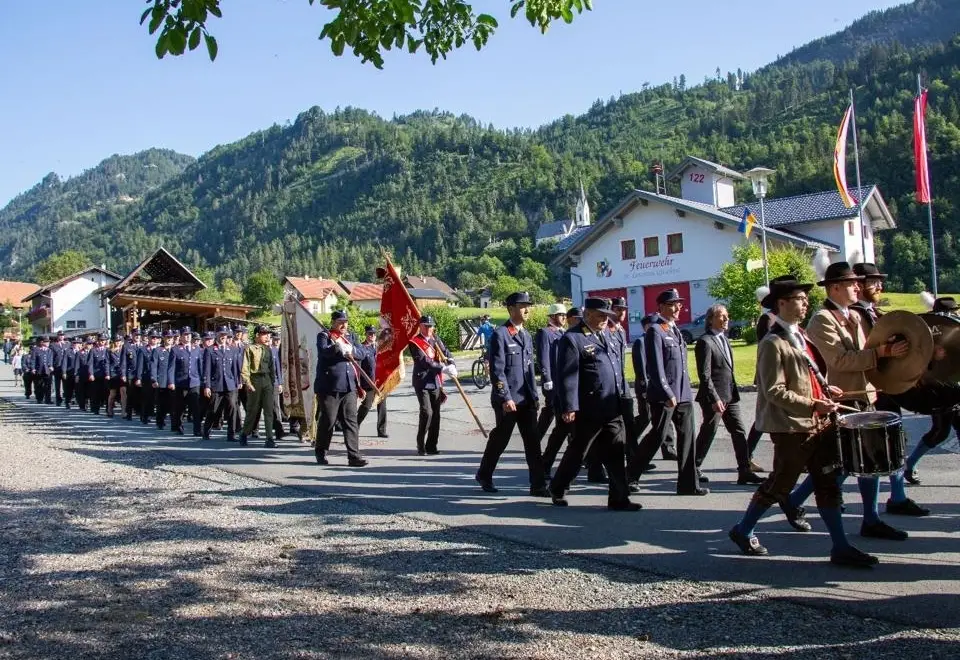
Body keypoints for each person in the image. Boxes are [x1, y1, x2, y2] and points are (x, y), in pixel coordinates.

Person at [728, 275, 878, 567]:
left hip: (818, 423)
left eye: (805, 299)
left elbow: (808, 375)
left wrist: (825, 389)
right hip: (791, 427)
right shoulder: (773, 342)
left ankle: (840, 546)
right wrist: (813, 404)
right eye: (799, 299)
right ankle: (743, 530)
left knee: (828, 481)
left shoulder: (802, 335)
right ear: (782, 303)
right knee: (780, 483)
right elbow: (773, 391)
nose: (805, 303)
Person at [785, 261, 919, 541]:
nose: (858, 286)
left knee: (864, 461)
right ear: (834, 288)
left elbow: (868, 352)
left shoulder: (854, 316)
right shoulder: (822, 319)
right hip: (843, 399)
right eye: (851, 283)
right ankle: (794, 500)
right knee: (842, 463)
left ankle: (868, 518)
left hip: (864, 396)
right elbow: (840, 360)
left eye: (858, 282)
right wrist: (883, 351)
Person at [550, 297, 640, 510]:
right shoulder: (573, 339)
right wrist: (569, 406)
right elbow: (567, 376)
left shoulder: (607, 335)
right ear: (587, 314)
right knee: (578, 452)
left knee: (616, 453)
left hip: (612, 404)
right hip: (589, 408)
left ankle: (619, 498)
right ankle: (558, 487)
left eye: (606, 316)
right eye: (600, 315)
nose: (604, 320)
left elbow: (616, 368)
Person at [476, 291, 549, 496]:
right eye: (522, 306)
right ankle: (484, 474)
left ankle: (538, 485)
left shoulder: (525, 335)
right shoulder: (501, 334)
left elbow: (528, 371)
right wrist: (505, 397)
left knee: (533, 442)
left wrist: (535, 396)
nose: (527, 309)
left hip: (526, 399)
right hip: (508, 400)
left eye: (528, 306)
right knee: (501, 439)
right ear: (511, 309)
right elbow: (497, 370)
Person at [634, 289, 706, 496]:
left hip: (683, 395)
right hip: (666, 397)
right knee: (656, 437)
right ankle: (631, 475)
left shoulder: (675, 330)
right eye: (673, 304)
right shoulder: (655, 331)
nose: (677, 308)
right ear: (661, 307)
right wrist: (667, 393)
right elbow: (656, 368)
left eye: (679, 304)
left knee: (687, 439)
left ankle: (688, 484)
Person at [693, 304, 763, 485]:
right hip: (714, 398)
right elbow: (704, 375)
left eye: (727, 316)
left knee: (739, 431)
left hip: (730, 396)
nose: (726, 320)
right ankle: (693, 467)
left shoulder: (725, 340)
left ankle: (744, 470)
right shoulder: (705, 341)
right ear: (711, 320)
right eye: (721, 316)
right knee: (708, 432)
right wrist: (714, 398)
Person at [313, 311, 366, 465]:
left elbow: (362, 353)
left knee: (351, 421)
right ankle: (320, 451)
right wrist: (337, 347)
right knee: (328, 420)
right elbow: (324, 352)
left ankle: (354, 456)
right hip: (329, 387)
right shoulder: (324, 336)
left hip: (349, 386)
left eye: (345, 322)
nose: (344, 325)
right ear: (333, 322)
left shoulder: (351, 337)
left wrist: (351, 350)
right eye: (340, 322)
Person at [409, 315, 454, 456]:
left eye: (431, 326)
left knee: (436, 415)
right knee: (426, 413)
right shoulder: (415, 342)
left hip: (435, 382)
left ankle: (431, 446)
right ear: (420, 326)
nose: (429, 328)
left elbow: (445, 351)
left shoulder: (435, 339)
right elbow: (425, 362)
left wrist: (452, 363)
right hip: (422, 382)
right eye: (426, 326)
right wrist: (443, 368)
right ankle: (420, 444)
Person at [239, 325, 279, 448]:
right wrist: (248, 383)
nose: (267, 336)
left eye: (268, 334)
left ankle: (269, 439)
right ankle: (244, 434)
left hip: (267, 380)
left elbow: (272, 368)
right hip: (255, 380)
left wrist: (273, 382)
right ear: (257, 335)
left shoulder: (268, 349)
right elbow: (245, 368)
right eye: (264, 333)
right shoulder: (249, 349)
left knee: (269, 411)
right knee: (252, 411)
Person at [203, 326, 241, 442]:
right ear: (217, 336)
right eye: (221, 335)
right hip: (216, 384)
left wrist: (238, 381)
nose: (223, 337)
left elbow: (235, 367)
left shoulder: (232, 349)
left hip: (230, 384)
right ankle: (206, 431)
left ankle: (231, 434)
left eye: (225, 335)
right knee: (213, 409)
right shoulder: (210, 350)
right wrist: (207, 386)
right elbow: (207, 370)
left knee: (232, 408)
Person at [535, 303, 566, 441]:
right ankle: (535, 439)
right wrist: (547, 378)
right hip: (553, 379)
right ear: (553, 316)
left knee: (559, 412)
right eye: (561, 315)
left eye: (565, 315)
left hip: (563, 380)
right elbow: (543, 357)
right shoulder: (545, 332)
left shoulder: (564, 332)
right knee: (550, 411)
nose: (564, 317)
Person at [356, 325, 388, 438]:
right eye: (370, 334)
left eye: (374, 334)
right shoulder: (362, 348)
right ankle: (355, 425)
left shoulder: (379, 348)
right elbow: (358, 367)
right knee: (366, 406)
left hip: (380, 382)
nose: (372, 336)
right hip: (368, 383)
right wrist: (358, 384)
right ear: (366, 334)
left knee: (382, 406)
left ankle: (381, 430)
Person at [171, 327, 202, 436]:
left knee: (196, 407)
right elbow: (171, 367)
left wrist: (203, 381)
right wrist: (171, 382)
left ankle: (197, 429)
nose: (187, 336)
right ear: (181, 336)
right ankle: (179, 427)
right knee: (180, 407)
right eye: (185, 335)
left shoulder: (197, 348)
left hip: (194, 381)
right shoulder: (175, 349)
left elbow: (200, 366)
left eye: (189, 335)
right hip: (181, 382)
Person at [150, 330, 176, 429]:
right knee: (162, 404)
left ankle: (175, 424)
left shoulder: (176, 350)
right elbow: (153, 366)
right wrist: (154, 379)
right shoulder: (157, 350)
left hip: (174, 382)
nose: (169, 339)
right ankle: (160, 422)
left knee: (174, 404)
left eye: (171, 337)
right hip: (162, 381)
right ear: (163, 338)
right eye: (167, 337)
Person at [139, 330, 160, 425]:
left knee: (157, 398)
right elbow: (140, 365)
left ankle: (155, 415)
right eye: (152, 337)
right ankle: (145, 415)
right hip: (146, 377)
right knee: (147, 398)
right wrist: (138, 378)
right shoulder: (143, 350)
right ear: (148, 338)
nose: (154, 339)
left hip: (158, 377)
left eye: (156, 337)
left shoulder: (160, 349)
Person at [86, 334, 110, 414]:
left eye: (103, 340)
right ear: (98, 341)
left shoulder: (107, 350)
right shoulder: (93, 350)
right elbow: (90, 363)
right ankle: (95, 409)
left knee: (106, 392)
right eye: (101, 340)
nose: (102, 342)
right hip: (96, 374)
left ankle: (108, 409)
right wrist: (91, 374)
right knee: (95, 392)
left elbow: (109, 363)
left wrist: (108, 374)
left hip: (105, 374)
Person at [122, 330, 142, 421]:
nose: (137, 337)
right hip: (131, 374)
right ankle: (128, 413)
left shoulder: (143, 346)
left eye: (139, 335)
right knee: (130, 394)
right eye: (135, 335)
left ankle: (141, 413)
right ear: (132, 335)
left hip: (141, 374)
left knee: (142, 394)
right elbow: (123, 362)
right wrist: (123, 374)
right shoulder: (127, 346)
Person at [106, 334, 125, 417]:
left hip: (122, 373)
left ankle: (123, 411)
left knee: (123, 392)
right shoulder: (109, 351)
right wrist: (107, 374)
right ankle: (109, 409)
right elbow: (107, 363)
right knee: (112, 394)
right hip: (113, 374)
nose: (118, 342)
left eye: (119, 341)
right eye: (116, 341)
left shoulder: (124, 350)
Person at [33, 335, 55, 404]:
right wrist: (33, 368)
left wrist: (51, 366)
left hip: (47, 371)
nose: (48, 343)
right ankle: (39, 398)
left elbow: (51, 359)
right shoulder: (36, 350)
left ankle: (48, 399)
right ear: (42, 342)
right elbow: (33, 360)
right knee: (39, 385)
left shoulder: (49, 351)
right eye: (46, 342)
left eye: (48, 342)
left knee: (48, 385)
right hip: (39, 370)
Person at [62, 338, 80, 409]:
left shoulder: (81, 351)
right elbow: (64, 362)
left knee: (78, 389)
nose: (75, 344)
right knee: (68, 389)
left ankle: (80, 402)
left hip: (78, 374)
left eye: (77, 343)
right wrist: (64, 372)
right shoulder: (67, 351)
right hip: (70, 373)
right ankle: (67, 402)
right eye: (74, 343)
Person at [50, 331, 67, 406]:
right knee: (57, 385)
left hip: (65, 368)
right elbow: (51, 356)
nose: (61, 336)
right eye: (60, 335)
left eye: (62, 335)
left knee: (66, 385)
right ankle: (58, 399)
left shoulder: (68, 344)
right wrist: (51, 365)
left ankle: (66, 398)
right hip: (57, 367)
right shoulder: (53, 345)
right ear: (57, 336)